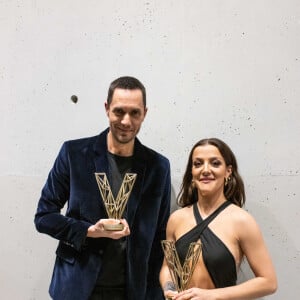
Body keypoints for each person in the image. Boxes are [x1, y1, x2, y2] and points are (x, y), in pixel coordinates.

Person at [34, 76, 171, 300]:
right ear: (107, 109)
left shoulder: (159, 166)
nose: (126, 121)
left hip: (133, 291)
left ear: (145, 113)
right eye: (119, 111)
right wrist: (89, 231)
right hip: (76, 287)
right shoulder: (74, 154)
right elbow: (43, 217)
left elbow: (161, 234)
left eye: (134, 113)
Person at [160, 138, 277, 300]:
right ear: (192, 173)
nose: (205, 170)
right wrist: (169, 288)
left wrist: (211, 295)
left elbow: (268, 282)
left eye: (215, 163)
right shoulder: (176, 219)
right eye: (198, 164)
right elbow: (168, 267)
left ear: (228, 171)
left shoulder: (242, 221)